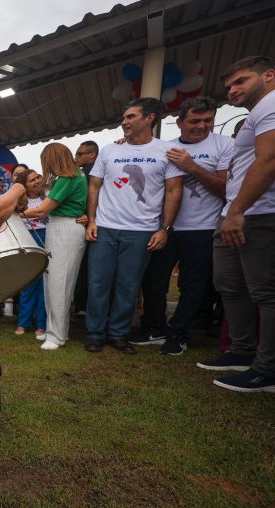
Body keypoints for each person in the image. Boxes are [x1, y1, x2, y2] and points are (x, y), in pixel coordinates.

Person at [128, 96, 233, 355]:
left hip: (203, 227)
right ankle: (154, 327)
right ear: (179, 122)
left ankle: (178, 332)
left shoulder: (225, 145)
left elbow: (226, 189)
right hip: (165, 226)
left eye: (208, 120)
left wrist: (191, 166)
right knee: (154, 281)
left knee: (192, 283)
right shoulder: (165, 147)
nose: (201, 126)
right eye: (194, 121)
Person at [84, 98, 184, 354]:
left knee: (129, 285)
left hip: (142, 232)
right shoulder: (109, 150)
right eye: (124, 117)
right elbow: (94, 185)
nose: (124, 121)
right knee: (98, 283)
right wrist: (92, 220)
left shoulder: (166, 150)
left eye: (130, 117)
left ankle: (118, 334)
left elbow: (174, 191)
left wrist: (165, 229)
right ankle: (95, 334)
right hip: (104, 228)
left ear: (149, 118)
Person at [205, 56, 275, 393]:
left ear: (268, 75)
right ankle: (242, 351)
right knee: (229, 283)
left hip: (257, 213)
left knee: (265, 291)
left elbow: (269, 160)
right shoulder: (256, 114)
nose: (233, 90)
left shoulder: (271, 104)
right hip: (237, 211)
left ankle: (267, 368)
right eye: (229, 86)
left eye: (241, 81)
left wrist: (238, 211)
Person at [22, 143, 89, 350]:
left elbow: (42, 209)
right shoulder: (72, 176)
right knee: (54, 283)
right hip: (60, 228)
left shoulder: (68, 178)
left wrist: (16, 213)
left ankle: (56, 335)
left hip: (65, 229)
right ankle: (57, 331)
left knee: (59, 285)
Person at [14, 169, 47, 340]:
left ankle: (42, 324)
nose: (37, 181)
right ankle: (23, 322)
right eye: (32, 180)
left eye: (38, 177)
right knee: (28, 284)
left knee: (44, 284)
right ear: (24, 185)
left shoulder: (48, 195)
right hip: (26, 239)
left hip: (46, 236)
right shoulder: (17, 201)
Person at [72, 141, 99, 316]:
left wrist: (90, 217)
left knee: (91, 269)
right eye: (76, 154)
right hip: (83, 224)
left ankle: (86, 307)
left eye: (80, 154)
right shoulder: (79, 173)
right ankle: (81, 306)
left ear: (92, 155)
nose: (76, 157)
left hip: (96, 226)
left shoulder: (96, 173)